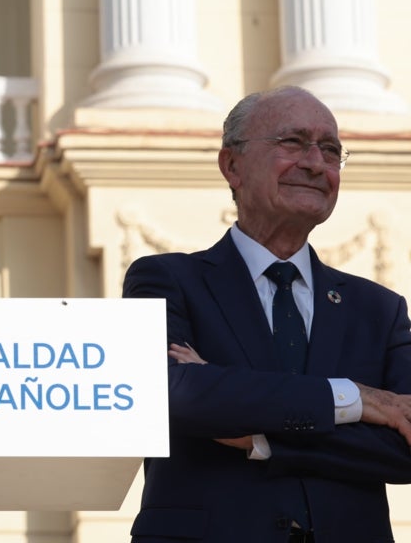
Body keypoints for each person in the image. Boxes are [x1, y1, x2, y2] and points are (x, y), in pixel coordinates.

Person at [123, 86, 411, 543]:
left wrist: (260, 438)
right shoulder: (166, 279)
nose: (316, 163)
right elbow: (175, 395)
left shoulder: (378, 309)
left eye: (331, 150)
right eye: (293, 142)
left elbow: (404, 450)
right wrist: (356, 399)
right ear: (232, 165)